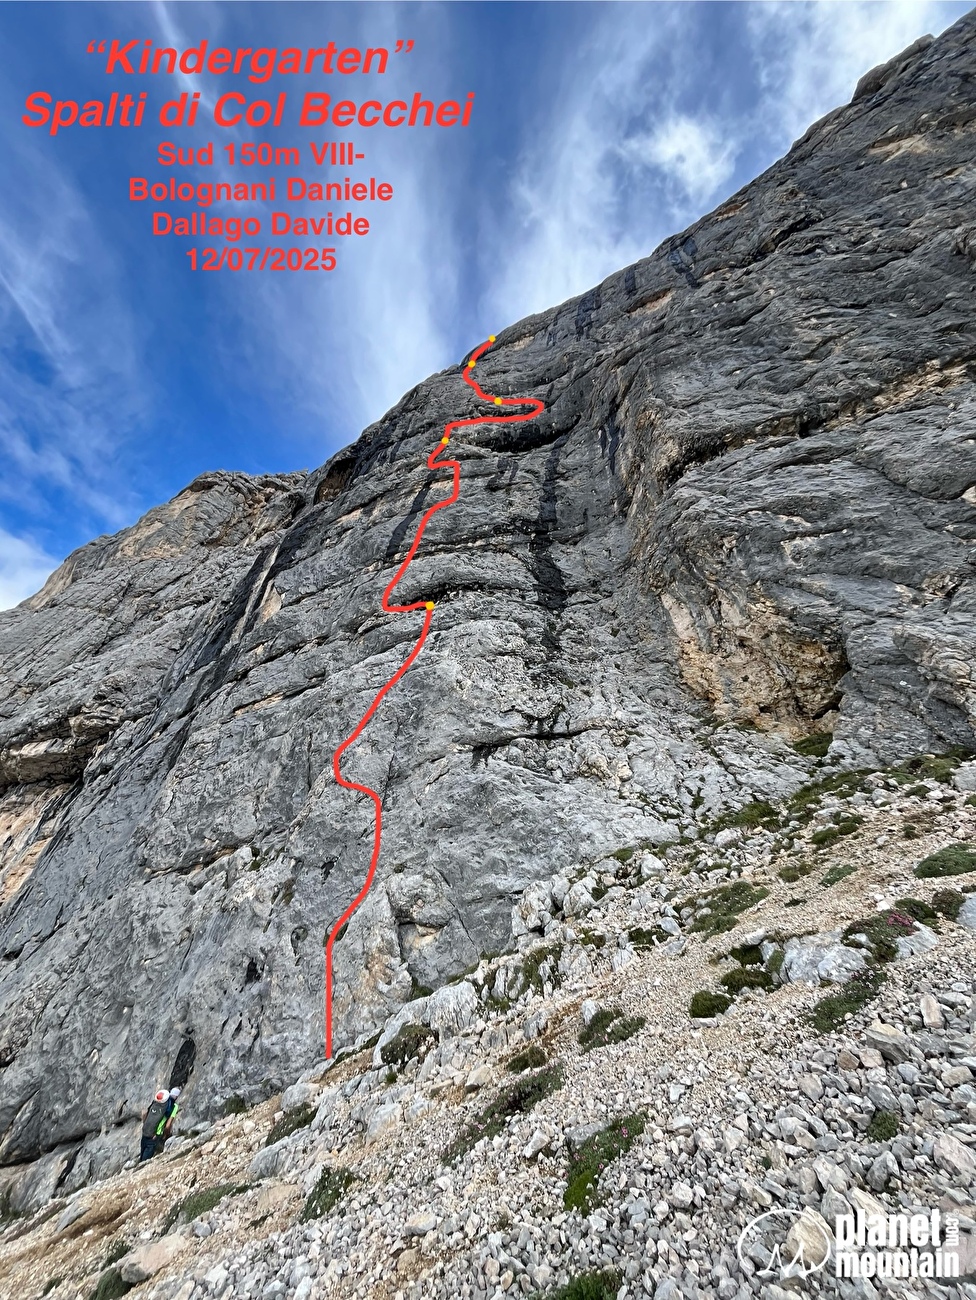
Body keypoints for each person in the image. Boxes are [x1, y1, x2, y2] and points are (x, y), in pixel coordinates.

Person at [139, 1086, 182, 1161]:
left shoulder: (159, 1101)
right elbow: (168, 1125)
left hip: (145, 1132)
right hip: (155, 1135)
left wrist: (145, 1124)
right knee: (145, 1162)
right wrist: (165, 1135)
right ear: (177, 1096)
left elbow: (144, 1113)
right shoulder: (174, 1106)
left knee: (142, 1157)